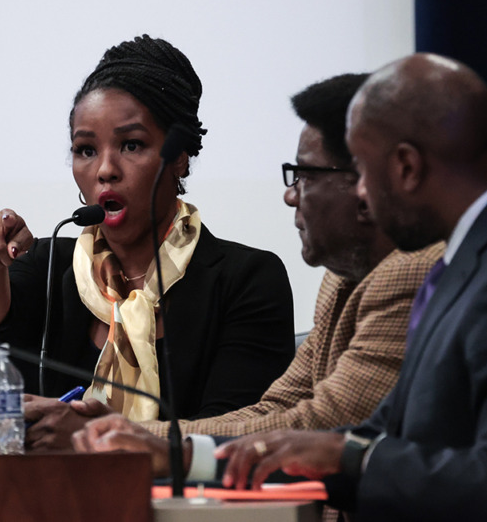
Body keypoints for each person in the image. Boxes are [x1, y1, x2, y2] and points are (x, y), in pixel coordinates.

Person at [214, 53, 487, 521]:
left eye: (362, 170)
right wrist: (200, 458)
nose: (361, 194)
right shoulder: (474, 259)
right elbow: (381, 434)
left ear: (405, 166)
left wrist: (351, 458)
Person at [72, 73, 443, 484]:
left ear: (364, 184)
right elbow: (277, 410)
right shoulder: (343, 280)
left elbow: (324, 422)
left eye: (304, 174)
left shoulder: (411, 272)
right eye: (85, 149)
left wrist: (132, 441)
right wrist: (129, 436)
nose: (291, 194)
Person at [0, 35, 295, 442]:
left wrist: (96, 437)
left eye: (131, 145)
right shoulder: (49, 264)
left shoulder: (246, 279)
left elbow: (237, 433)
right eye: (85, 150)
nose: (105, 170)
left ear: (180, 156)